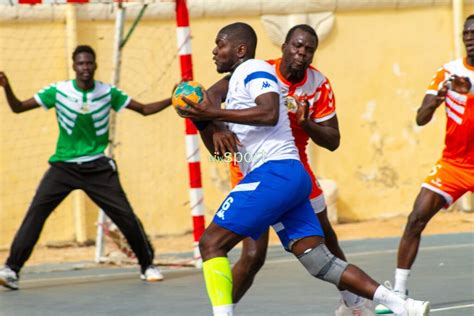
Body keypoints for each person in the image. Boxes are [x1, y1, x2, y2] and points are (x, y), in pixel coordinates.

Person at [177, 22, 430, 316]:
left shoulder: (254, 70)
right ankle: (402, 304)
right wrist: (203, 121)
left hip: (274, 173)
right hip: (288, 179)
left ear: (240, 49)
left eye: (220, 44)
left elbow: (271, 113)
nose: (214, 50)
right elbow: (220, 151)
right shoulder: (235, 85)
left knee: (211, 243)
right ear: (285, 47)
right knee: (318, 260)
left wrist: (214, 113)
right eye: (297, 46)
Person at [210, 24, 373, 315]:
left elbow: (333, 141)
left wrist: (306, 122)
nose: (302, 53)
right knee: (254, 254)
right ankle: (223, 309)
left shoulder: (319, 85)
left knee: (325, 235)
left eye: (309, 49)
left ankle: (354, 303)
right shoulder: (261, 71)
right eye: (297, 46)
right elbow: (212, 98)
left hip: (294, 166)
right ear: (284, 46)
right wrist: (218, 128)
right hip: (254, 168)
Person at [0, 45, 171, 290]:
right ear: (74, 66)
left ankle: (148, 265)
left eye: (89, 63)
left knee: (125, 216)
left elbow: (144, 110)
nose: (85, 68)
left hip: (97, 167)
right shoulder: (58, 91)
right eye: (80, 64)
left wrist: (172, 99)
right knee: (35, 215)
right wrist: (7, 87)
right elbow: (18, 108)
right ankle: (11, 270)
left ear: (95, 65)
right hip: (63, 167)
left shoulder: (107, 92)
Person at [375, 15, 474, 314]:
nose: (470, 37)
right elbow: (421, 117)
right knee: (416, 218)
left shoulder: (464, 80)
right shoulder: (448, 72)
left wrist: (468, 91)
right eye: (466, 33)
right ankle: (399, 293)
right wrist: (439, 96)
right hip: (453, 165)